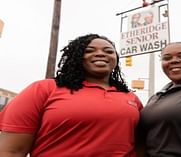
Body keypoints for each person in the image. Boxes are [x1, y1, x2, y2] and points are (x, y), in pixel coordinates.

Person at [0, 34, 143, 157]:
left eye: (108, 51)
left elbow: (141, 145)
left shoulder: (131, 98)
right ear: (76, 57)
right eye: (89, 50)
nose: (101, 54)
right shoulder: (44, 89)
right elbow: (11, 151)